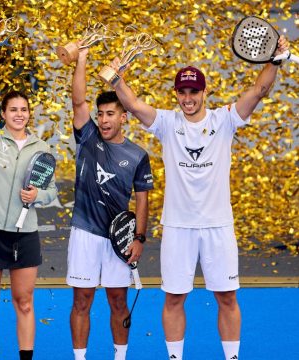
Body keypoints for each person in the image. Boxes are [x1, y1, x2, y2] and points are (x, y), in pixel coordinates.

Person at [110, 35, 290, 360]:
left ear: (204, 92)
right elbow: (134, 105)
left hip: (218, 226)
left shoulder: (225, 120)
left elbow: (259, 91)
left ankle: (232, 357)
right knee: (174, 299)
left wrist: (274, 60)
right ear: (177, 94)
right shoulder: (166, 122)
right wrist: (115, 77)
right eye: (183, 91)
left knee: (227, 297)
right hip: (178, 227)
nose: (188, 97)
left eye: (194, 91)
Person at [0, 41, 57, 360]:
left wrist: (37, 195)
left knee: (25, 301)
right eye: (13, 109)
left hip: (25, 233)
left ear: (29, 114)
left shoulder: (41, 148)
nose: (19, 114)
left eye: (24, 109)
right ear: (3, 113)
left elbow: (51, 192)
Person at [67, 44, 154, 360]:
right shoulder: (87, 137)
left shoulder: (137, 156)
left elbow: (142, 200)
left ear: (124, 117)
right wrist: (83, 59)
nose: (103, 120)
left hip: (119, 239)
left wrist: (140, 238)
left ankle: (120, 357)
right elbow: (78, 100)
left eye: (110, 114)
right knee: (82, 301)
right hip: (85, 233)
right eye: (100, 114)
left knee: (118, 301)